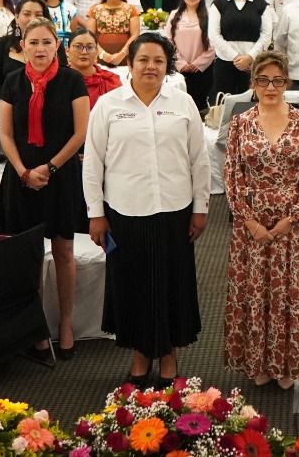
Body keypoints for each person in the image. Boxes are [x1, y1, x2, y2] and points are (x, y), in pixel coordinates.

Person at [85, 35, 209, 386]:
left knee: (173, 283)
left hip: (175, 209)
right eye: (144, 60)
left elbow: (199, 160)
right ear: (130, 64)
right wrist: (96, 213)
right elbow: (93, 163)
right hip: (124, 211)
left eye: (158, 60)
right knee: (132, 284)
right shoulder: (108, 106)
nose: (151, 66)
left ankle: (169, 354)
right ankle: (140, 353)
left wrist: (200, 208)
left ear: (167, 67)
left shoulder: (182, 103)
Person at [223, 54, 299, 389]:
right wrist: (249, 221)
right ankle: (258, 361)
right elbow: (232, 176)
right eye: (263, 79)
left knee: (290, 295)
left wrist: (292, 219)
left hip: (292, 226)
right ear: (253, 82)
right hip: (251, 227)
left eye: (277, 80)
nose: (270, 87)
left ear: (287, 83)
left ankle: (287, 362)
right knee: (255, 293)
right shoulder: (240, 123)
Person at [0, 18, 90, 362]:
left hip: (60, 175)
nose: (39, 49)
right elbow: (5, 133)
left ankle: (65, 324)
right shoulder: (12, 82)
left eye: (46, 42)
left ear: (57, 45)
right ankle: (34, 327)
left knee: (64, 251)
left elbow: (80, 133)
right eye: (33, 42)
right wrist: (23, 171)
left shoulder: (72, 80)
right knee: (28, 256)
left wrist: (48, 168)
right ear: (23, 46)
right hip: (21, 177)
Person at [209, 0, 273, 96]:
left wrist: (249, 57)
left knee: (250, 105)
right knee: (224, 104)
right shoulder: (219, 4)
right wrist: (236, 57)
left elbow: (266, 35)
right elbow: (214, 35)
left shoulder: (261, 4)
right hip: (224, 63)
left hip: (253, 64)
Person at [167, 0, 216, 110]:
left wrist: (198, 64)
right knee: (179, 107)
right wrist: (180, 63)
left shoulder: (210, 15)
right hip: (179, 71)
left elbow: (213, 43)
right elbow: (168, 41)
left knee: (199, 107)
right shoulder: (174, 15)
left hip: (202, 71)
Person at [0, 0, 48, 96]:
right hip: (9, 107)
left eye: (38, 15)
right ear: (16, 17)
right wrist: (11, 106)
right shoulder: (2, 44)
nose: (32, 19)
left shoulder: (54, 44)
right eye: (26, 14)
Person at [83, 0, 140, 67]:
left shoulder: (131, 9)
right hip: (98, 58)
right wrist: (102, 55)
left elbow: (135, 35)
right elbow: (89, 36)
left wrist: (122, 54)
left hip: (125, 58)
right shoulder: (94, 10)